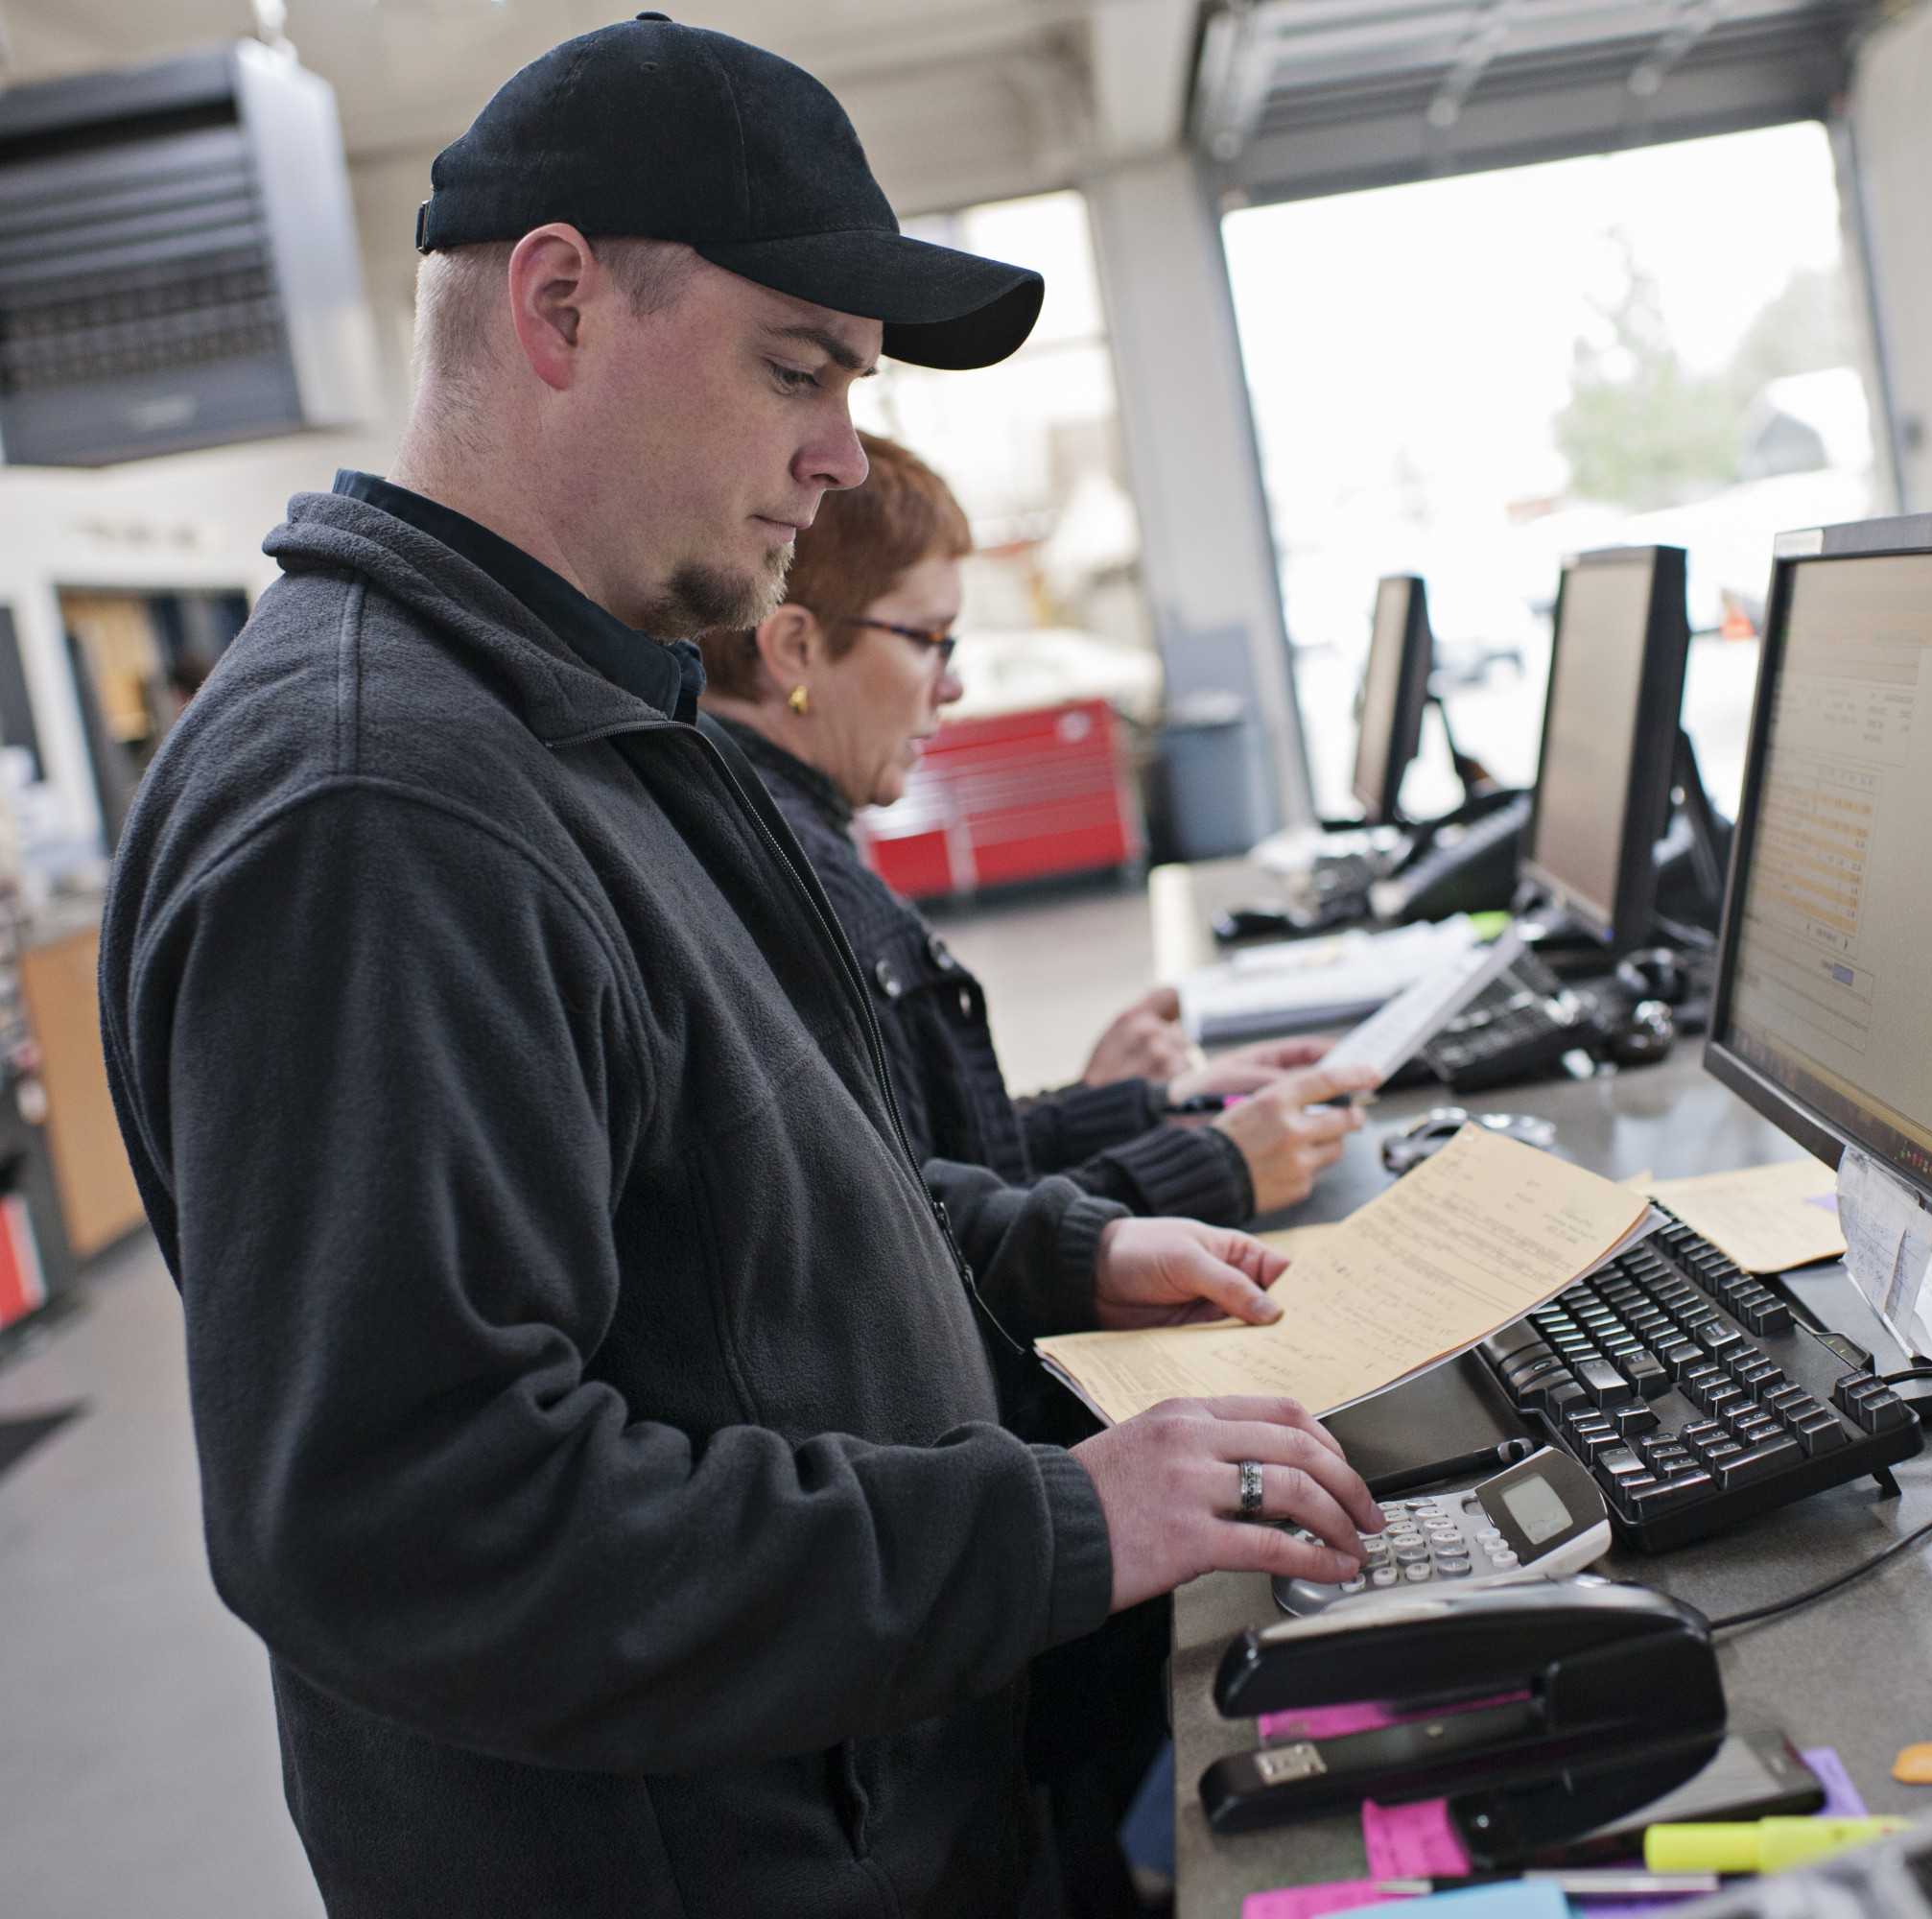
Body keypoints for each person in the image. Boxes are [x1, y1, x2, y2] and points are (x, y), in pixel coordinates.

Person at [98, 21, 1378, 1917]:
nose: (837, 454)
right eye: (799, 368)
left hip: (858, 1799)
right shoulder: (382, 809)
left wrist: (1059, 1244)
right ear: (557, 305)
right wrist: (1054, 1524)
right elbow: (416, 1521)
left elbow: (749, 1208)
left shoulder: (579, 716)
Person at [697, 434, 1374, 1223]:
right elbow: (916, 1240)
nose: (950, 684)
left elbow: (934, 1157)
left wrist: (1147, 1107)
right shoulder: (784, 881)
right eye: (927, 640)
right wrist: (1211, 1165)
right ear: (797, 647)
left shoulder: (769, 829)